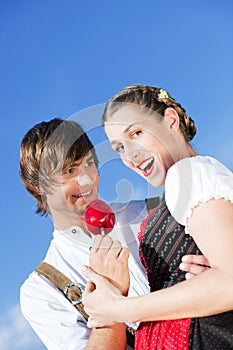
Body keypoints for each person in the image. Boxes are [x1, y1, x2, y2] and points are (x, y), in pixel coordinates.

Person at [19, 117, 208, 349]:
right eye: (69, 171)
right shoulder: (41, 289)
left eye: (88, 163)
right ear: (37, 186)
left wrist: (211, 263)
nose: (86, 180)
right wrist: (111, 296)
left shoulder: (155, 209)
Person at [82, 84, 233, 350]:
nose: (131, 156)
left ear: (171, 120)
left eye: (137, 133)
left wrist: (120, 309)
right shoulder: (183, 185)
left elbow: (229, 282)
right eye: (119, 148)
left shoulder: (187, 174)